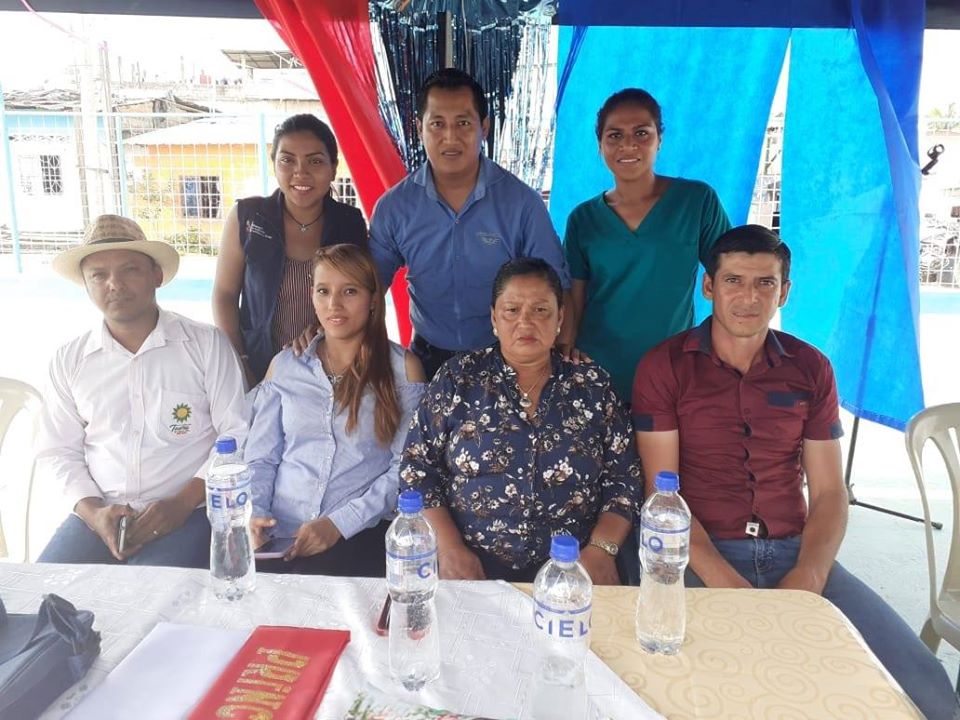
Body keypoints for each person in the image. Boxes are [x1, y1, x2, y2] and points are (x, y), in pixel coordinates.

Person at [631, 225, 959, 720]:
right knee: (714, 693)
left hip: (794, 553)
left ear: (784, 291)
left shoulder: (810, 368)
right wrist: (730, 587)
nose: (749, 297)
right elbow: (663, 496)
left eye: (765, 283)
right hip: (701, 554)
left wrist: (811, 573)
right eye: (734, 281)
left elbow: (828, 492)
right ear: (709, 287)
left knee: (925, 691)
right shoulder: (665, 366)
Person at [401, 258, 641, 584]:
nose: (525, 322)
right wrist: (449, 548)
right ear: (494, 318)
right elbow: (417, 469)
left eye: (541, 310)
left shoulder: (592, 384)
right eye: (512, 310)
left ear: (560, 318)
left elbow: (625, 478)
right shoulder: (458, 379)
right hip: (470, 565)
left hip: (575, 566)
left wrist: (602, 550)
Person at [36, 214, 247, 568]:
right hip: (99, 516)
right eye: (98, 275)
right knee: (44, 592)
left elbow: (237, 433)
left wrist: (182, 504)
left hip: (188, 514)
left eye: (129, 269)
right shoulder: (70, 360)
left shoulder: (205, 345)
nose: (114, 284)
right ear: (86, 285)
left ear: (157, 275)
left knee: (155, 593)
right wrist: (94, 513)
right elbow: (57, 451)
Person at [369, 68, 572, 379]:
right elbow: (366, 290)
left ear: (484, 127)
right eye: (437, 124)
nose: (450, 137)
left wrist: (556, 365)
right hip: (427, 360)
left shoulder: (521, 204)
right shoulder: (395, 208)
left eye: (463, 123)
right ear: (419, 128)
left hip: (507, 358)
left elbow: (557, 288)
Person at [246, 244, 425, 577]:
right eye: (323, 291)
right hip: (276, 534)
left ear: (373, 299)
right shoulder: (285, 366)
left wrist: (338, 524)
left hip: (356, 536)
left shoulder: (402, 370)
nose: (334, 304)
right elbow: (261, 458)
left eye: (350, 291)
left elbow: (406, 469)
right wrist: (254, 514)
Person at [563, 88, 731, 401]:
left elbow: (730, 275)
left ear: (659, 140)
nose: (628, 145)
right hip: (597, 376)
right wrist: (564, 357)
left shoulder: (695, 201)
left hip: (672, 373)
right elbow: (575, 298)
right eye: (614, 135)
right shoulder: (583, 219)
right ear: (600, 145)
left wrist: (726, 350)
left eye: (641, 133)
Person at [213, 114, 367, 386]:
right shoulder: (248, 217)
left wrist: (324, 330)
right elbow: (224, 295)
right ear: (274, 164)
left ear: (333, 168)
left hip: (329, 371)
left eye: (315, 161)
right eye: (287, 160)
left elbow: (362, 297)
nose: (300, 172)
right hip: (257, 367)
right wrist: (240, 362)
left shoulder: (349, 223)